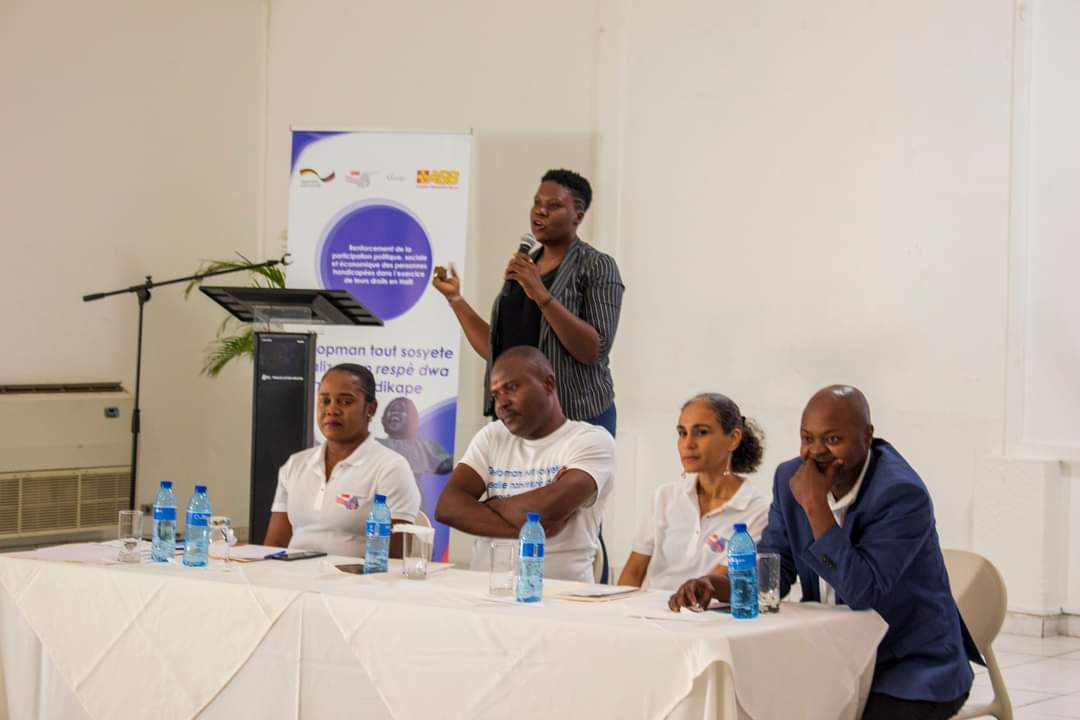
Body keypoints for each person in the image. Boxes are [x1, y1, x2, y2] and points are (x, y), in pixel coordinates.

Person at [669, 385, 980, 720]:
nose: (816, 452)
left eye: (832, 440)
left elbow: (862, 591)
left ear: (867, 436)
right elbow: (777, 568)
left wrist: (816, 505)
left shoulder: (901, 494)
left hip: (908, 665)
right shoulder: (790, 477)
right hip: (831, 651)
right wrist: (717, 585)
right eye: (807, 438)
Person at [431, 169, 624, 436]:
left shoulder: (597, 266)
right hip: (515, 418)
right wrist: (454, 298)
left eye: (553, 205)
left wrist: (540, 293)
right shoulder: (525, 266)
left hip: (576, 416)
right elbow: (497, 348)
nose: (540, 212)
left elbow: (594, 350)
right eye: (537, 203)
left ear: (578, 215)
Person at [434, 346, 615, 582]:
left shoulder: (590, 440)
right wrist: (537, 529)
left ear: (548, 384)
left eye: (511, 387)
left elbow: (548, 509)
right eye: (496, 395)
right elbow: (447, 507)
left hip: (561, 596)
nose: (502, 403)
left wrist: (493, 504)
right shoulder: (492, 436)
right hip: (484, 591)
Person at [264, 364, 421, 557]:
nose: (332, 410)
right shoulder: (295, 465)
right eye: (325, 401)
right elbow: (274, 547)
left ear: (370, 408)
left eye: (345, 402)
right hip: (295, 581)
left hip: (359, 583)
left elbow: (395, 559)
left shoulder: (391, 468)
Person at [618, 393, 768, 591]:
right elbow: (633, 572)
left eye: (701, 432)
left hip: (708, 617)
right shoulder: (663, 497)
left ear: (733, 439)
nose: (688, 444)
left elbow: (720, 584)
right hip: (646, 614)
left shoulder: (758, 510)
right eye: (682, 433)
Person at [376, 396, 453, 510]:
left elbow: (447, 464)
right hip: (378, 509)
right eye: (391, 410)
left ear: (413, 420)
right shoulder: (374, 445)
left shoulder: (423, 446)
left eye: (401, 410)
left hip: (412, 509)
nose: (395, 413)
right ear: (383, 419)